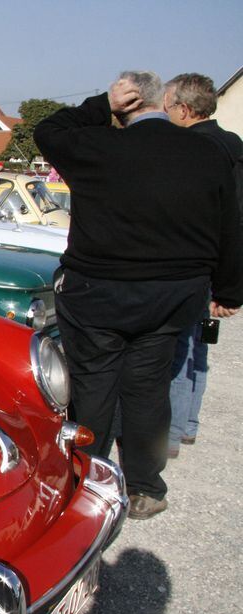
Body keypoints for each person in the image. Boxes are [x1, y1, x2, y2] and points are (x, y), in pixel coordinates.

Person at [34, 71, 242, 520]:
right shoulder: (208, 151)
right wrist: (229, 289)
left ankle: (88, 480)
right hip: (172, 295)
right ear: (162, 102)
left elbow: (47, 130)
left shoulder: (97, 147)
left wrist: (100, 103)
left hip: (98, 292)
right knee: (149, 388)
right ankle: (146, 487)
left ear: (124, 105)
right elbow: (231, 224)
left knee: (93, 386)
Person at [162, 72, 243, 458]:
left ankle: (172, 433)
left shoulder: (190, 147)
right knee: (200, 348)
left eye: (167, 104)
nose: (164, 111)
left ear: (184, 108)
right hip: (218, 264)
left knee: (178, 346)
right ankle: (188, 424)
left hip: (193, 262)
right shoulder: (233, 144)